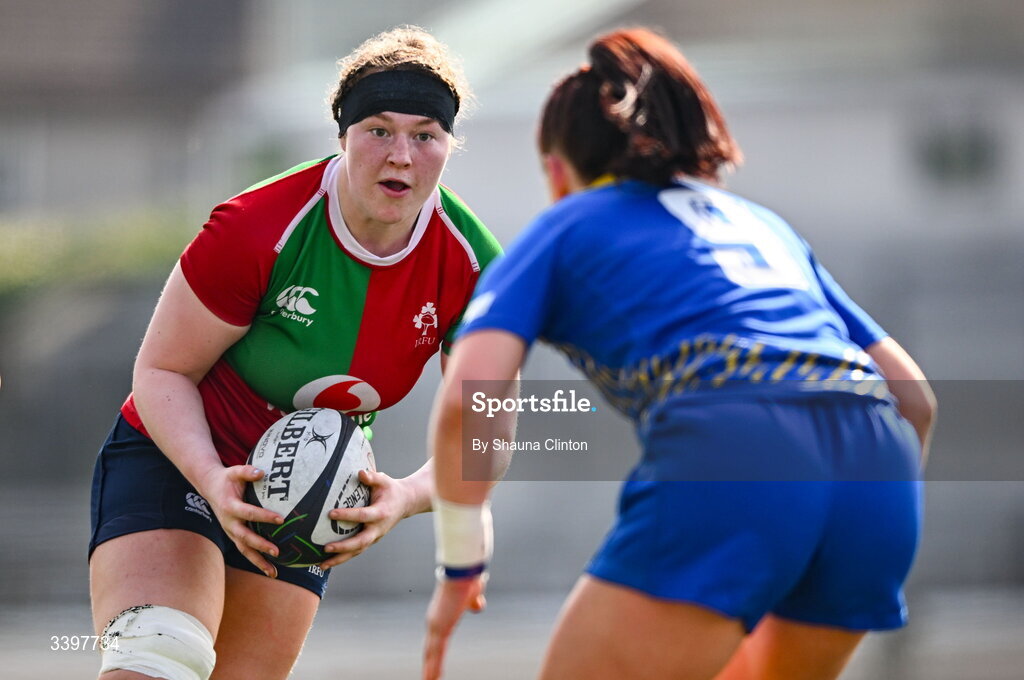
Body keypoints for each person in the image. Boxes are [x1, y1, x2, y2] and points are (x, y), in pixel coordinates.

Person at [424, 27, 936, 680]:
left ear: (558, 172)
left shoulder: (565, 224)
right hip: (879, 466)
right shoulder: (760, 226)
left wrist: (460, 559)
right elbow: (915, 397)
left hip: (740, 448)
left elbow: (469, 402)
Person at [88, 26, 502, 680]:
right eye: (378, 130)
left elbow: (484, 440)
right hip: (183, 457)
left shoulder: (474, 266)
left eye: (425, 135)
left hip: (302, 500)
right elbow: (163, 371)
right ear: (342, 136)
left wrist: (403, 498)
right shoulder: (256, 227)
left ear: (448, 146)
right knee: (161, 652)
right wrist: (210, 478)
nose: (401, 154)